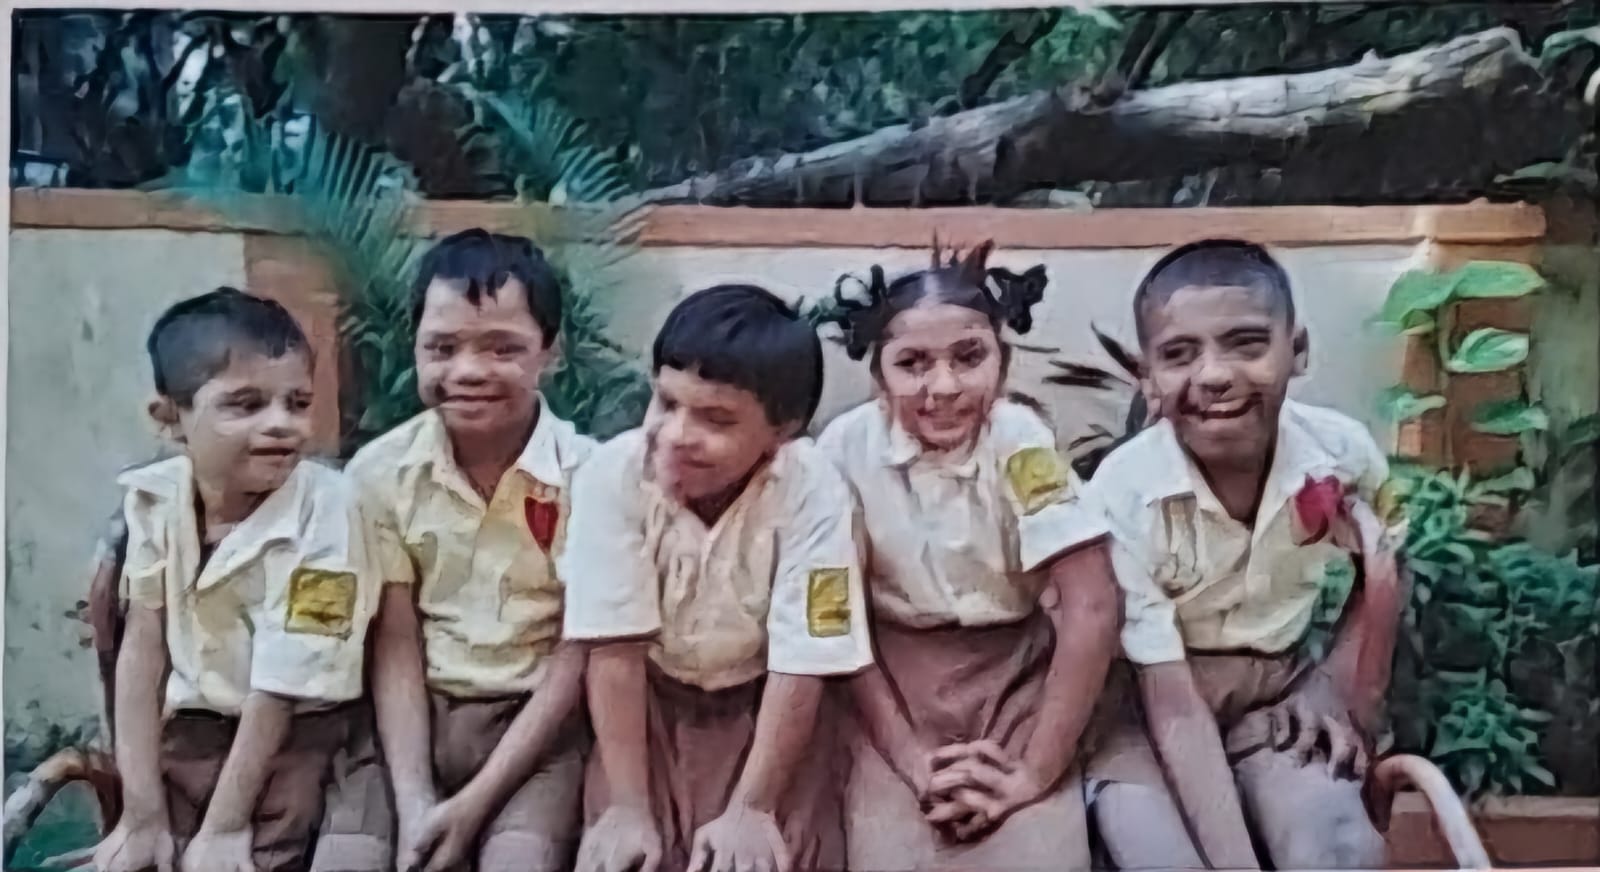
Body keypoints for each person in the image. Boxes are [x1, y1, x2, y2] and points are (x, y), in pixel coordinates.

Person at [1083, 239, 1406, 870]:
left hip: (1274, 693)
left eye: (1247, 344)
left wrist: (1331, 692)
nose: (1214, 375)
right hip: (1144, 712)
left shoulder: (1343, 454)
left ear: (1298, 350)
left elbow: (1389, 566)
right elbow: (1170, 702)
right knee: (1159, 857)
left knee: (1337, 849)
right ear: (1146, 377)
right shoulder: (1121, 496)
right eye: (1179, 355)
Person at [814, 241, 1118, 870]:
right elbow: (835, 619)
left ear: (1002, 365)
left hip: (1016, 680)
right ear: (879, 376)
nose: (944, 386)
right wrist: (907, 754)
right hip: (888, 688)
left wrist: (1036, 768)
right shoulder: (843, 451)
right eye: (913, 363)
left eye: (968, 357)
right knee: (891, 853)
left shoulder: (1021, 443)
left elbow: (1091, 605)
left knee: (1039, 853)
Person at [562, 284, 874, 872]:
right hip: (645, 708)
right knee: (625, 850)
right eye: (666, 402)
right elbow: (612, 650)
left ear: (783, 431)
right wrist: (628, 806)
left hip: (767, 709)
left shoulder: (813, 490)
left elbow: (802, 660)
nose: (677, 434)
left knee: (770, 852)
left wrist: (753, 807)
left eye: (716, 419)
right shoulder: (613, 477)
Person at [93, 288, 383, 872]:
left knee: (255, 856)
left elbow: (284, 681)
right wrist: (140, 812)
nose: (281, 425)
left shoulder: (330, 510)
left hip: (299, 736)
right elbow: (142, 648)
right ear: (169, 418)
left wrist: (226, 827)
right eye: (246, 405)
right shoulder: (153, 501)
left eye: (297, 403)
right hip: (193, 732)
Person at [345, 230, 594, 872]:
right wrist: (416, 801)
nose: (469, 371)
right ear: (416, 350)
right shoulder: (380, 473)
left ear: (553, 353)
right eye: (442, 347)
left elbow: (578, 649)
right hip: (404, 722)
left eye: (502, 347)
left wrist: (476, 803)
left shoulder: (590, 476)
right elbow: (394, 639)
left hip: (537, 729)